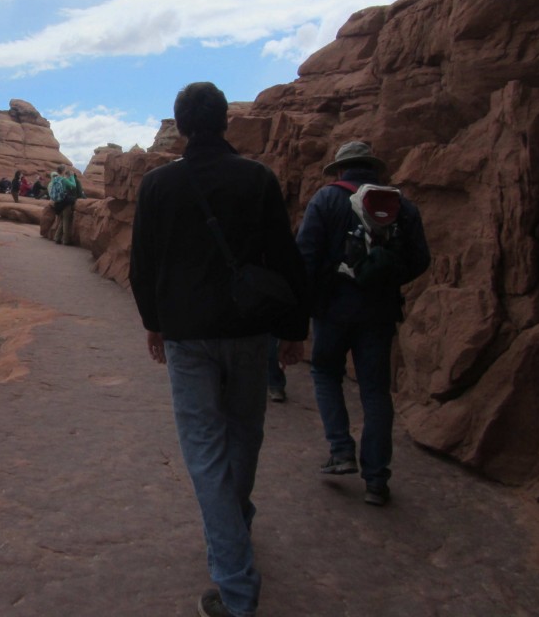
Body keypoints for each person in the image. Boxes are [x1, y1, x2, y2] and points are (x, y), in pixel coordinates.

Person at [129, 82, 308, 617]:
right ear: (226, 121)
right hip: (249, 331)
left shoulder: (159, 185)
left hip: (187, 337)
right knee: (244, 436)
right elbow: (284, 259)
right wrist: (295, 330)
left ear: (180, 125)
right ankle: (236, 529)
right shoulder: (257, 178)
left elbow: (143, 265)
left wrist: (154, 324)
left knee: (205, 452)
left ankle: (236, 588)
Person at [287, 141, 430, 507]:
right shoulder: (402, 205)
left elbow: (304, 257)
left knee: (324, 373)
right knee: (375, 391)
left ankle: (340, 451)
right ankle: (377, 479)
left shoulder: (326, 199)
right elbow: (420, 260)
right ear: (373, 169)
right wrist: (385, 277)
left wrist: (301, 311)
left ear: (340, 170)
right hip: (379, 313)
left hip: (332, 309)